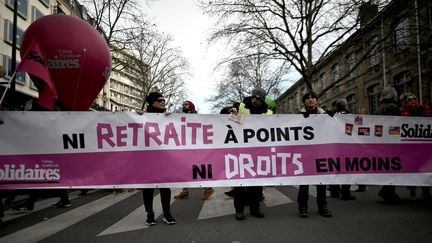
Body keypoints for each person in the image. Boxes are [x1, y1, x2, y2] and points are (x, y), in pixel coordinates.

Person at [229, 88, 272, 220]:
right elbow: (230, 121)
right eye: (253, 97)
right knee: (240, 184)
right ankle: (239, 210)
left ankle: (255, 209)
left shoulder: (269, 113)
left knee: (256, 184)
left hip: (258, 152)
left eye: (258, 99)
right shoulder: (241, 106)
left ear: (262, 100)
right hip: (240, 151)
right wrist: (233, 113)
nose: (255, 100)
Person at [138, 92, 176, 226]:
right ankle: (150, 213)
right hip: (147, 159)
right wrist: (136, 117)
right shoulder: (142, 117)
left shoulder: (167, 117)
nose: (163, 102)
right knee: (148, 188)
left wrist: (172, 119)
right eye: (159, 100)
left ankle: (167, 213)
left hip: (163, 159)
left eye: (163, 100)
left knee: (165, 187)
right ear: (152, 102)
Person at [297, 91, 332, 218]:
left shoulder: (323, 114)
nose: (311, 100)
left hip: (320, 152)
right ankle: (303, 207)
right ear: (304, 101)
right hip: (305, 153)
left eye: (313, 98)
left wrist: (333, 118)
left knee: (321, 182)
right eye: (308, 98)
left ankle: (323, 206)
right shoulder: (298, 116)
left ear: (316, 100)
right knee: (304, 182)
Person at [174, 100, 215, 200]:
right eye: (183, 104)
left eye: (186, 104)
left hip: (194, 147)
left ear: (191, 106)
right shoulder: (182, 116)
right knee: (185, 169)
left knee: (198, 168)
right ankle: (185, 191)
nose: (184, 106)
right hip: (186, 146)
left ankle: (208, 188)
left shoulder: (194, 116)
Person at [399, 93, 431, 200]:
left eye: (414, 98)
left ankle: (426, 191)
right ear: (406, 102)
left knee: (425, 169)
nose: (412, 100)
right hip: (411, 147)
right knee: (413, 170)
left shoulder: (423, 111)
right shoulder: (404, 113)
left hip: (423, 146)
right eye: (409, 99)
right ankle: (412, 191)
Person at [376, 87, 401, 204]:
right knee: (393, 167)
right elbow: (395, 125)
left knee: (387, 167)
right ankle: (389, 191)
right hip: (391, 141)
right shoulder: (392, 107)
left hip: (382, 142)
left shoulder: (379, 108)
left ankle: (387, 189)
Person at [329, 99, 356, 201]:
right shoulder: (349, 115)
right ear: (345, 106)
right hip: (346, 145)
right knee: (346, 169)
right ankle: (345, 193)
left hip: (334, 145)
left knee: (335, 168)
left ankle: (334, 191)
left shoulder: (332, 115)